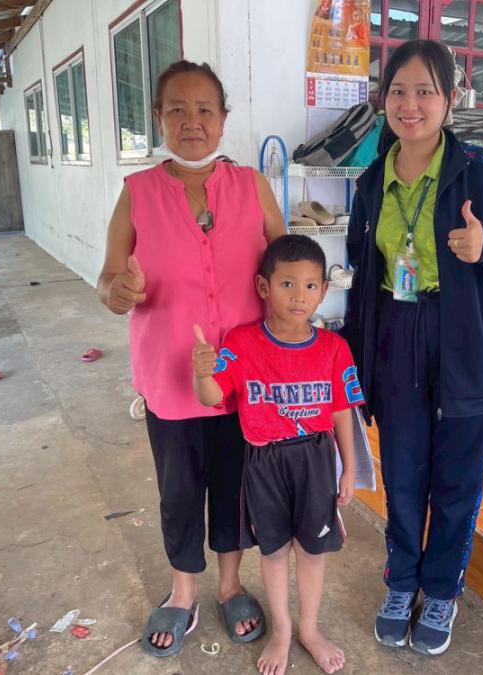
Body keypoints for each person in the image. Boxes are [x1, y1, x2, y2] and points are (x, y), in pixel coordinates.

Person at [343, 39, 483, 656]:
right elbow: (363, 278)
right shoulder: (371, 182)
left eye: (425, 91)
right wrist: (352, 360)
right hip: (396, 341)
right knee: (402, 477)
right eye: (398, 91)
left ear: (449, 100)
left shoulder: (480, 171)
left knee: (456, 484)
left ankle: (442, 590)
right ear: (383, 101)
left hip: (467, 347)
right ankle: (402, 583)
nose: (410, 104)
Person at [97, 60, 286, 657]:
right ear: (158, 117)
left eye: (205, 109)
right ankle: (183, 590)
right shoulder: (138, 193)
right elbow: (108, 276)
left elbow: (286, 263)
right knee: (179, 490)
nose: (191, 121)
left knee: (234, 487)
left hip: (242, 378)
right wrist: (117, 291)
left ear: (223, 119)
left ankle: (230, 585)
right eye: (176, 109)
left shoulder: (252, 186)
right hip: (171, 378)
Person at [193, 235, 361, 675]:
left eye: (310, 286)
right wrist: (202, 372)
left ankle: (309, 628)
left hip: (316, 460)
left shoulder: (334, 348)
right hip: (264, 462)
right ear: (263, 287)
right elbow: (212, 396)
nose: (299, 296)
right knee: (274, 550)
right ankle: (283, 630)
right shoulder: (242, 342)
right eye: (287, 284)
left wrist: (349, 468)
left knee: (312, 550)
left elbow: (341, 410)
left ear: (323, 291)